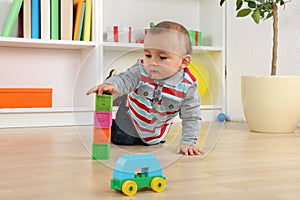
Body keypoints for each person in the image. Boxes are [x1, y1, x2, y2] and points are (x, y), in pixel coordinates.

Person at [87, 21, 203, 156]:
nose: (152, 62)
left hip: (155, 131)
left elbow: (192, 117)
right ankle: (118, 91)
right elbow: (126, 78)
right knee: (122, 138)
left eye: (162, 57)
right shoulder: (141, 70)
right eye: (148, 55)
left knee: (151, 142)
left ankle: (124, 94)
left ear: (184, 62)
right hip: (130, 116)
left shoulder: (188, 87)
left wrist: (188, 143)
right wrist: (113, 85)